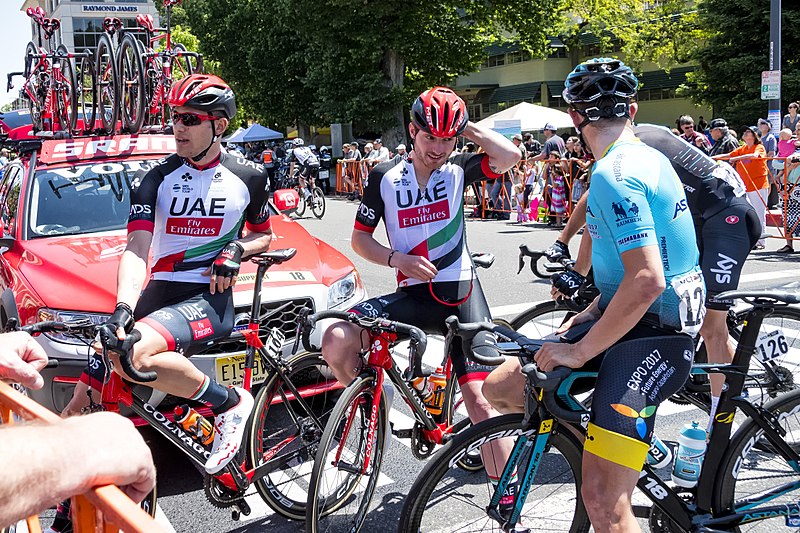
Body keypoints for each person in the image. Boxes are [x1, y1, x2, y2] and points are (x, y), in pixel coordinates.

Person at [483, 58, 703, 532]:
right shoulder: (645, 157)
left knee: (603, 503)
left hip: (655, 336)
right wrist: (593, 310)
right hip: (631, 318)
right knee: (501, 387)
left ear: (576, 116)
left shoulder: (614, 174)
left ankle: (617, 454)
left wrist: (581, 347)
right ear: (633, 110)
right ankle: (606, 440)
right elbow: (649, 258)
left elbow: (647, 280)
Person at [321, 86, 521, 515]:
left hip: (461, 292)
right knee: (336, 338)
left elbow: (509, 157)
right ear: (413, 132)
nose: (438, 149)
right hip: (412, 292)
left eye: (447, 140)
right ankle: (370, 398)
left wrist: (463, 128)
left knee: (481, 399)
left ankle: (506, 500)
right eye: (430, 137)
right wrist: (397, 259)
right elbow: (360, 239)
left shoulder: (459, 169)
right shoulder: (385, 177)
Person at [61, 74, 272, 476]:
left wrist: (236, 249)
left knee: (134, 353)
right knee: (81, 401)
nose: (178, 127)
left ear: (219, 125)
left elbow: (264, 235)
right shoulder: (156, 178)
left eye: (190, 119)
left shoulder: (248, 177)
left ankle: (229, 402)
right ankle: (68, 508)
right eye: (175, 117)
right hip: (159, 293)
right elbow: (137, 249)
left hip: (208, 297)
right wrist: (123, 306)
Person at [0, 332, 156, 529]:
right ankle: (61, 522)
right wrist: (71, 450)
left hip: (136, 345)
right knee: (73, 411)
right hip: (108, 350)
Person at [713, 125, 769, 249]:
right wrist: (712, 158)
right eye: (745, 131)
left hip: (758, 185)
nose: (745, 133)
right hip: (745, 185)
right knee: (748, 213)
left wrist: (736, 158)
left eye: (748, 132)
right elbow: (728, 155)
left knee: (759, 213)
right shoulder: (742, 148)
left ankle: (760, 241)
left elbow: (754, 156)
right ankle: (751, 239)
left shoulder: (759, 147)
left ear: (755, 135)